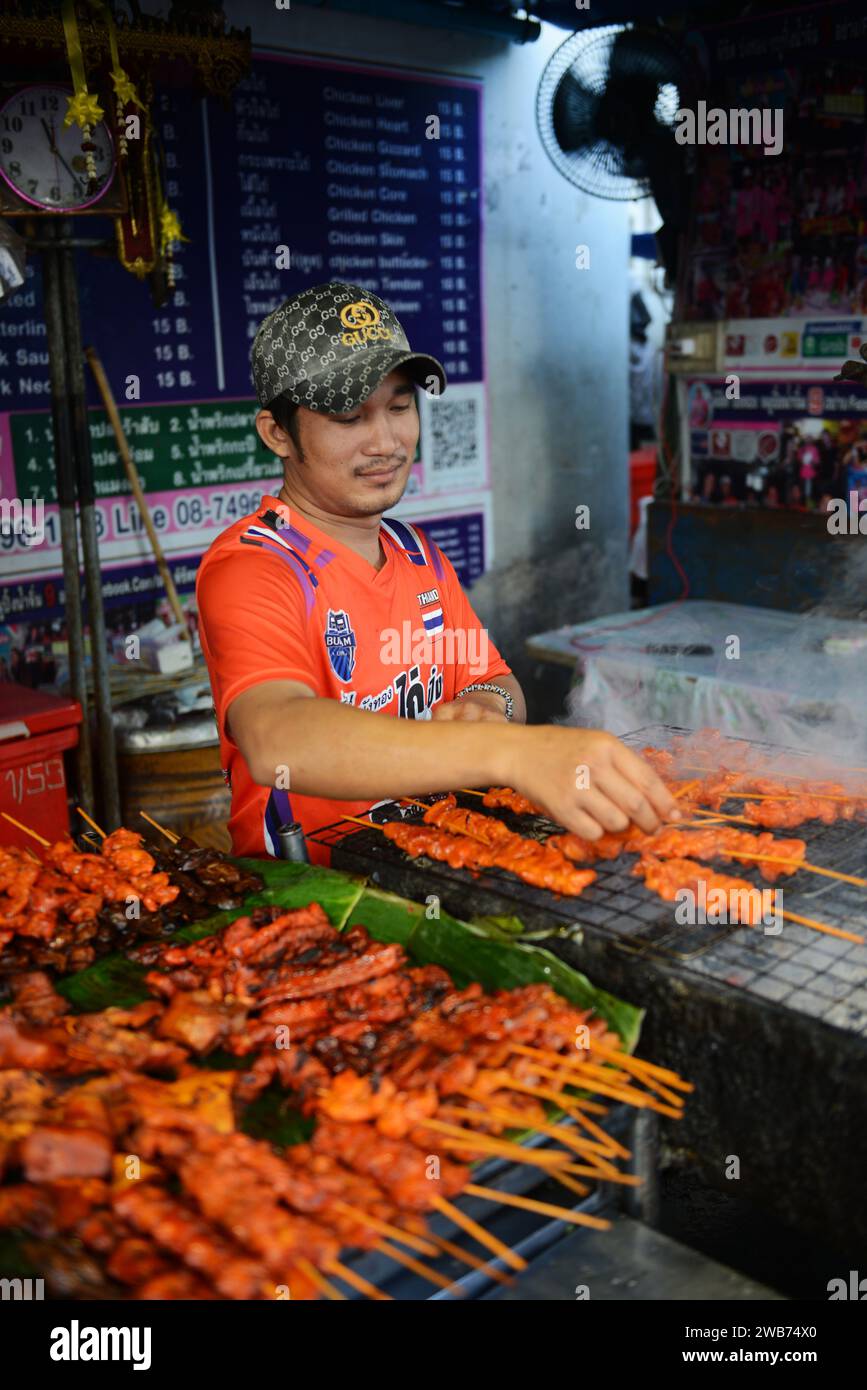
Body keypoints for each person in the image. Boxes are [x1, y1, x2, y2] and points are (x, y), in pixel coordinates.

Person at [196, 282, 677, 862]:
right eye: (349, 416)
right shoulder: (252, 568)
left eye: (399, 407)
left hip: (432, 865)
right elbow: (278, 740)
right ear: (277, 433)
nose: (387, 441)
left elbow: (499, 683)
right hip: (314, 898)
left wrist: (485, 710)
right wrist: (506, 753)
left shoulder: (417, 555)